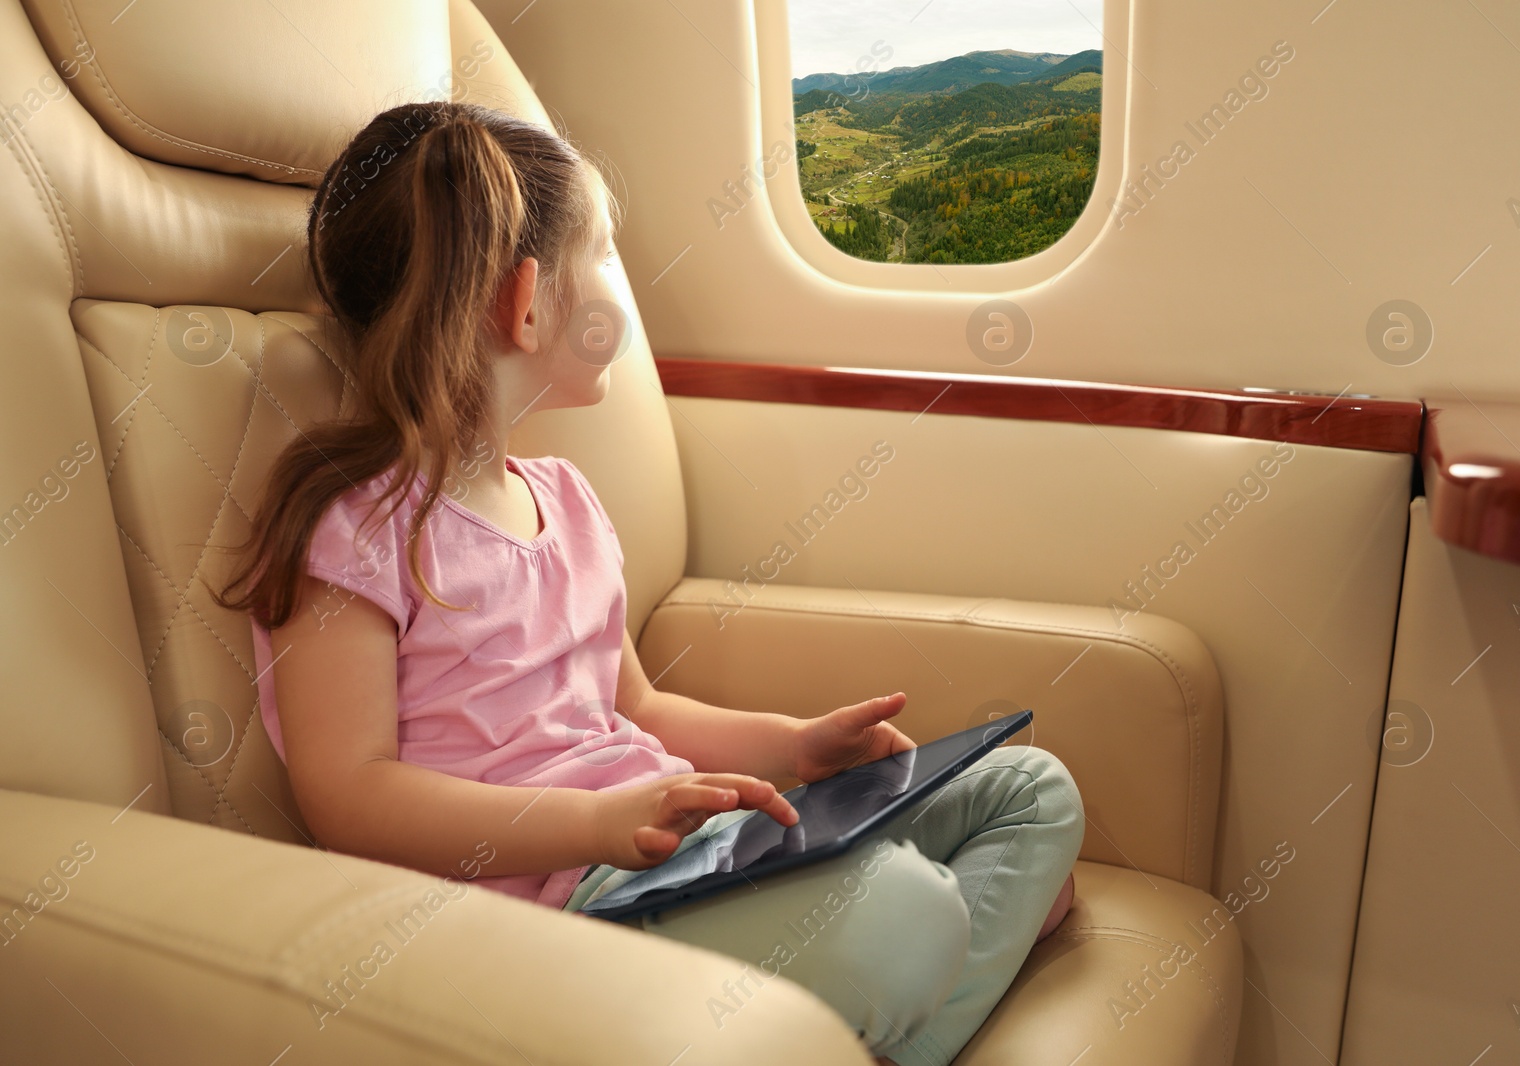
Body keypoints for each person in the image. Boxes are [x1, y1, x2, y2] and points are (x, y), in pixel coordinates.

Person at [213, 99, 1084, 1065]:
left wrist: (799, 747)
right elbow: (350, 794)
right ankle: (904, 966)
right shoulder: (356, 528)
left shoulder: (568, 501)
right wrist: (598, 822)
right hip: (570, 909)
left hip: (683, 842)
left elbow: (640, 706)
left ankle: (875, 1014)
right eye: (602, 254)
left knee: (1028, 791)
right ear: (531, 302)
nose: (615, 296)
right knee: (911, 913)